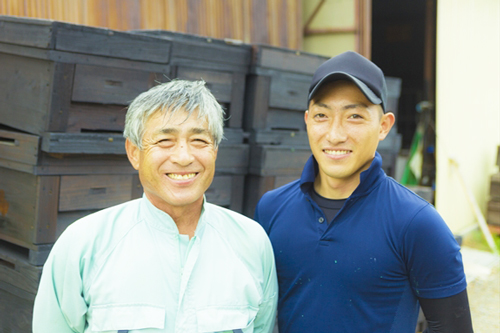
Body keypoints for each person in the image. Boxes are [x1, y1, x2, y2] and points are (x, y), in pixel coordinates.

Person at [33, 80, 278, 333]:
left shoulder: (252, 243)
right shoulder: (83, 244)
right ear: (134, 153)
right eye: (164, 141)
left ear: (214, 150)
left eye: (199, 140)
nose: (183, 157)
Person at [254, 51, 473, 333]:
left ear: (384, 126)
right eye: (322, 115)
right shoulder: (271, 209)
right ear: (307, 120)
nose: (334, 134)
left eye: (354, 116)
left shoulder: (417, 223)